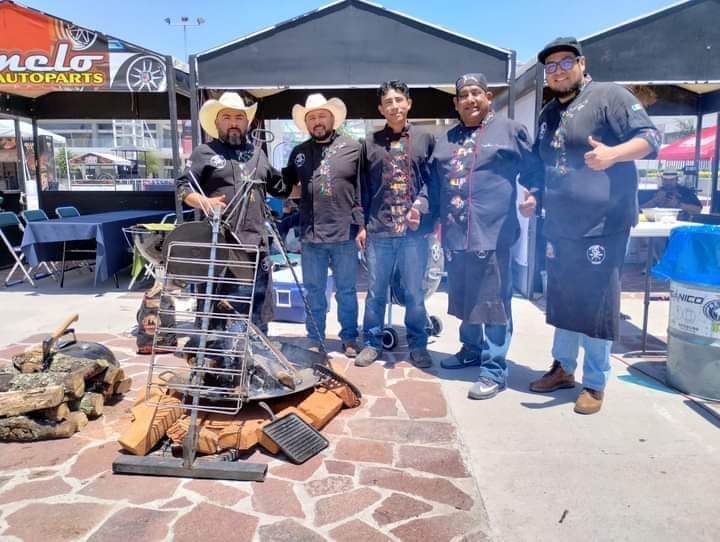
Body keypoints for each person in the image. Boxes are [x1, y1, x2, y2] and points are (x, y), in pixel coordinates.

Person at [529, 37, 661, 414]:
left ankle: (596, 381)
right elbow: (544, 164)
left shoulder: (610, 96)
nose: (557, 71)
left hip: (603, 223)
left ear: (582, 63)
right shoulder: (548, 113)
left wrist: (613, 154)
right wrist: (535, 195)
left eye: (565, 62)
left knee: (598, 302)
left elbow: (650, 138)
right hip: (560, 224)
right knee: (564, 298)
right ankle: (563, 368)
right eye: (550, 66)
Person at [431, 73, 541, 399]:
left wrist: (533, 194)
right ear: (455, 102)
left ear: (488, 96)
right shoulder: (447, 138)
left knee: (493, 303)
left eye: (476, 93)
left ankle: (495, 369)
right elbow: (435, 184)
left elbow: (535, 168)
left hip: (494, 233)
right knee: (465, 297)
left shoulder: (509, 131)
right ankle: (470, 349)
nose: (470, 100)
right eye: (463, 95)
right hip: (456, 234)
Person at [176, 91, 286, 333]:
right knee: (216, 312)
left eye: (239, 117)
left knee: (256, 311)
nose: (233, 123)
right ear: (216, 122)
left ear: (247, 122)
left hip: (256, 246)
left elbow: (281, 187)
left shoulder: (258, 154)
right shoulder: (203, 152)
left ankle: (257, 358)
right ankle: (216, 363)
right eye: (226, 117)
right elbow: (182, 188)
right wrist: (204, 201)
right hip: (220, 247)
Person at [354, 81, 435, 369]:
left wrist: (422, 208)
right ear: (381, 109)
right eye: (388, 102)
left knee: (415, 291)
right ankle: (372, 343)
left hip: (414, 234)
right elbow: (361, 188)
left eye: (399, 100)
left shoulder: (426, 139)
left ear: (409, 103)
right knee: (376, 292)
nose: (394, 106)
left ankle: (418, 344)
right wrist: (361, 225)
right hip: (379, 230)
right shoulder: (370, 143)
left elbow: (432, 183)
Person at [282, 94, 364, 357]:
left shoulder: (354, 147)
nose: (317, 121)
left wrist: (362, 225)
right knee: (314, 292)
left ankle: (349, 337)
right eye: (312, 118)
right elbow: (288, 186)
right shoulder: (299, 153)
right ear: (307, 124)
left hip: (344, 233)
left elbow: (364, 188)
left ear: (332, 118)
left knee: (347, 291)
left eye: (321, 116)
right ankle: (315, 337)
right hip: (310, 235)